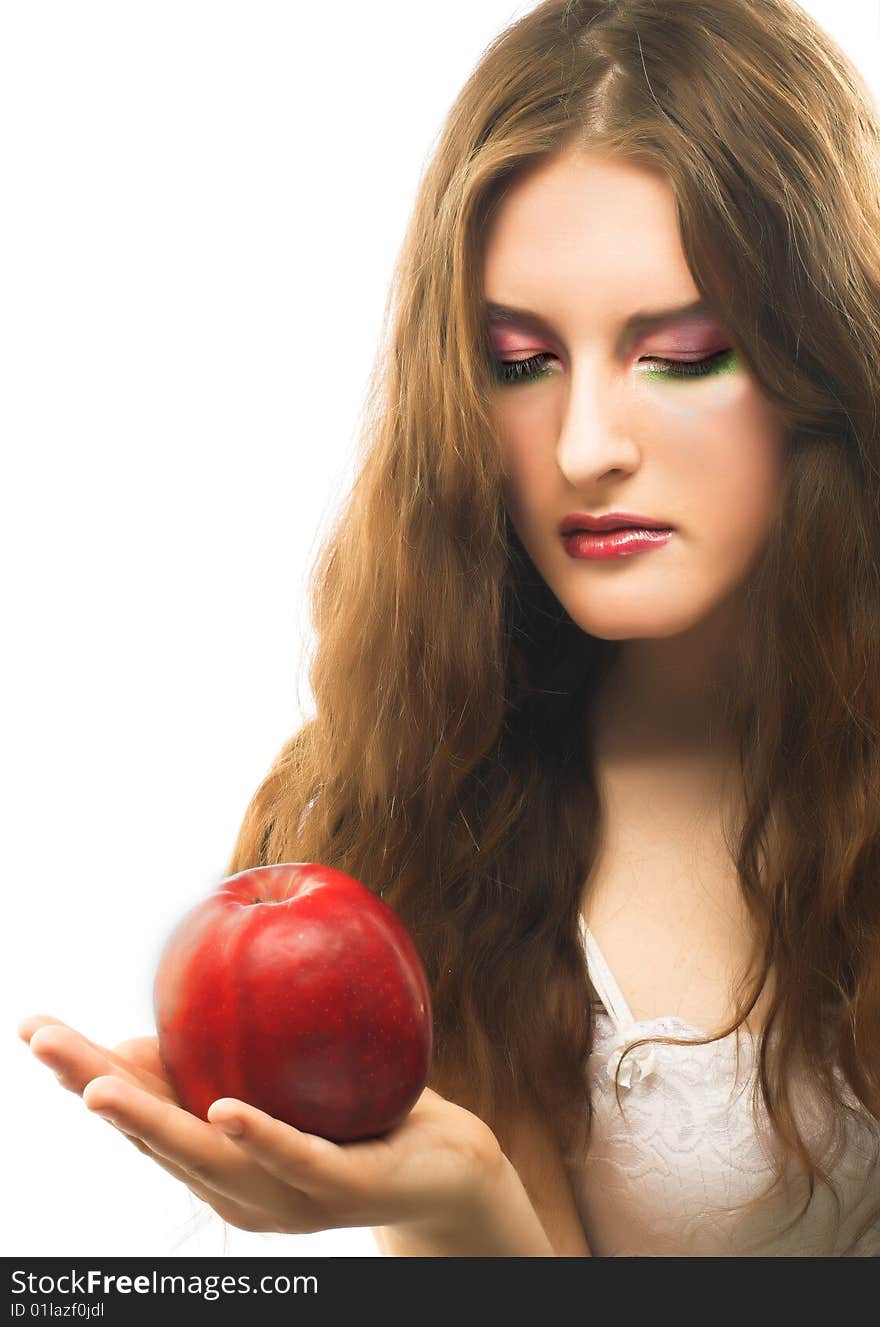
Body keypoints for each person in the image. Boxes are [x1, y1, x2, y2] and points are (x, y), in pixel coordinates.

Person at [18, 0, 880, 1255]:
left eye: (683, 352)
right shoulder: (439, 794)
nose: (586, 447)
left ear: (825, 359)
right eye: (521, 361)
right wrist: (458, 1198)